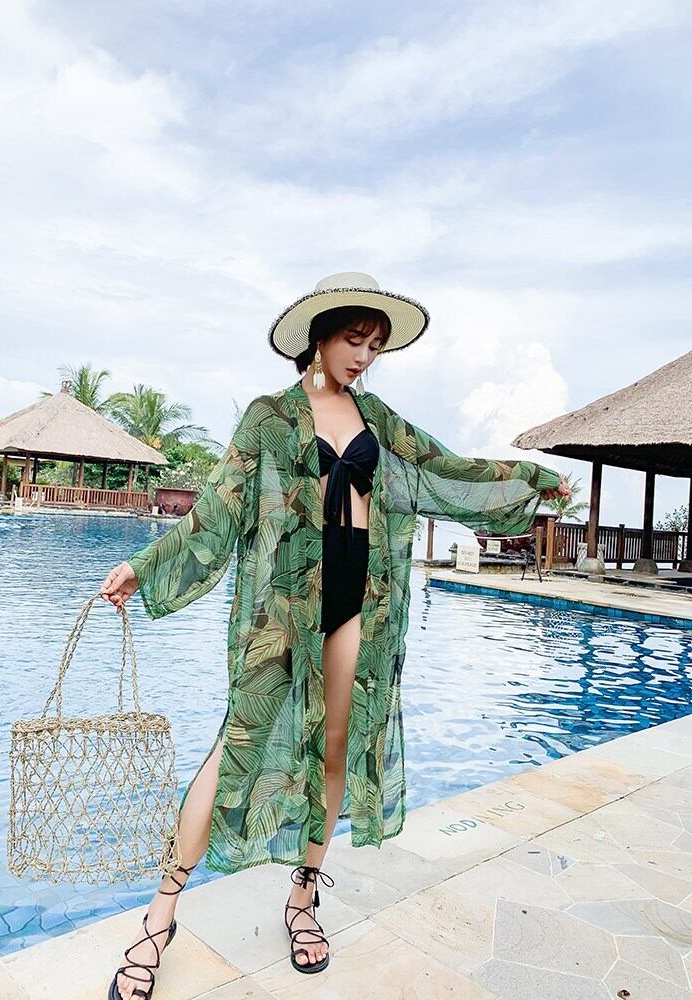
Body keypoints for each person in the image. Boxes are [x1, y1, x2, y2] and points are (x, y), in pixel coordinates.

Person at [102, 271, 570, 999]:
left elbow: (449, 470)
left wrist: (532, 482)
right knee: (237, 746)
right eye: (355, 339)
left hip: (362, 603)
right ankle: (160, 916)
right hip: (287, 607)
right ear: (319, 336)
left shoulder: (377, 417)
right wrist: (143, 564)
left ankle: (302, 898)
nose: (364, 356)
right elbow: (217, 512)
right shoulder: (268, 418)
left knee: (335, 749)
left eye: (375, 345)